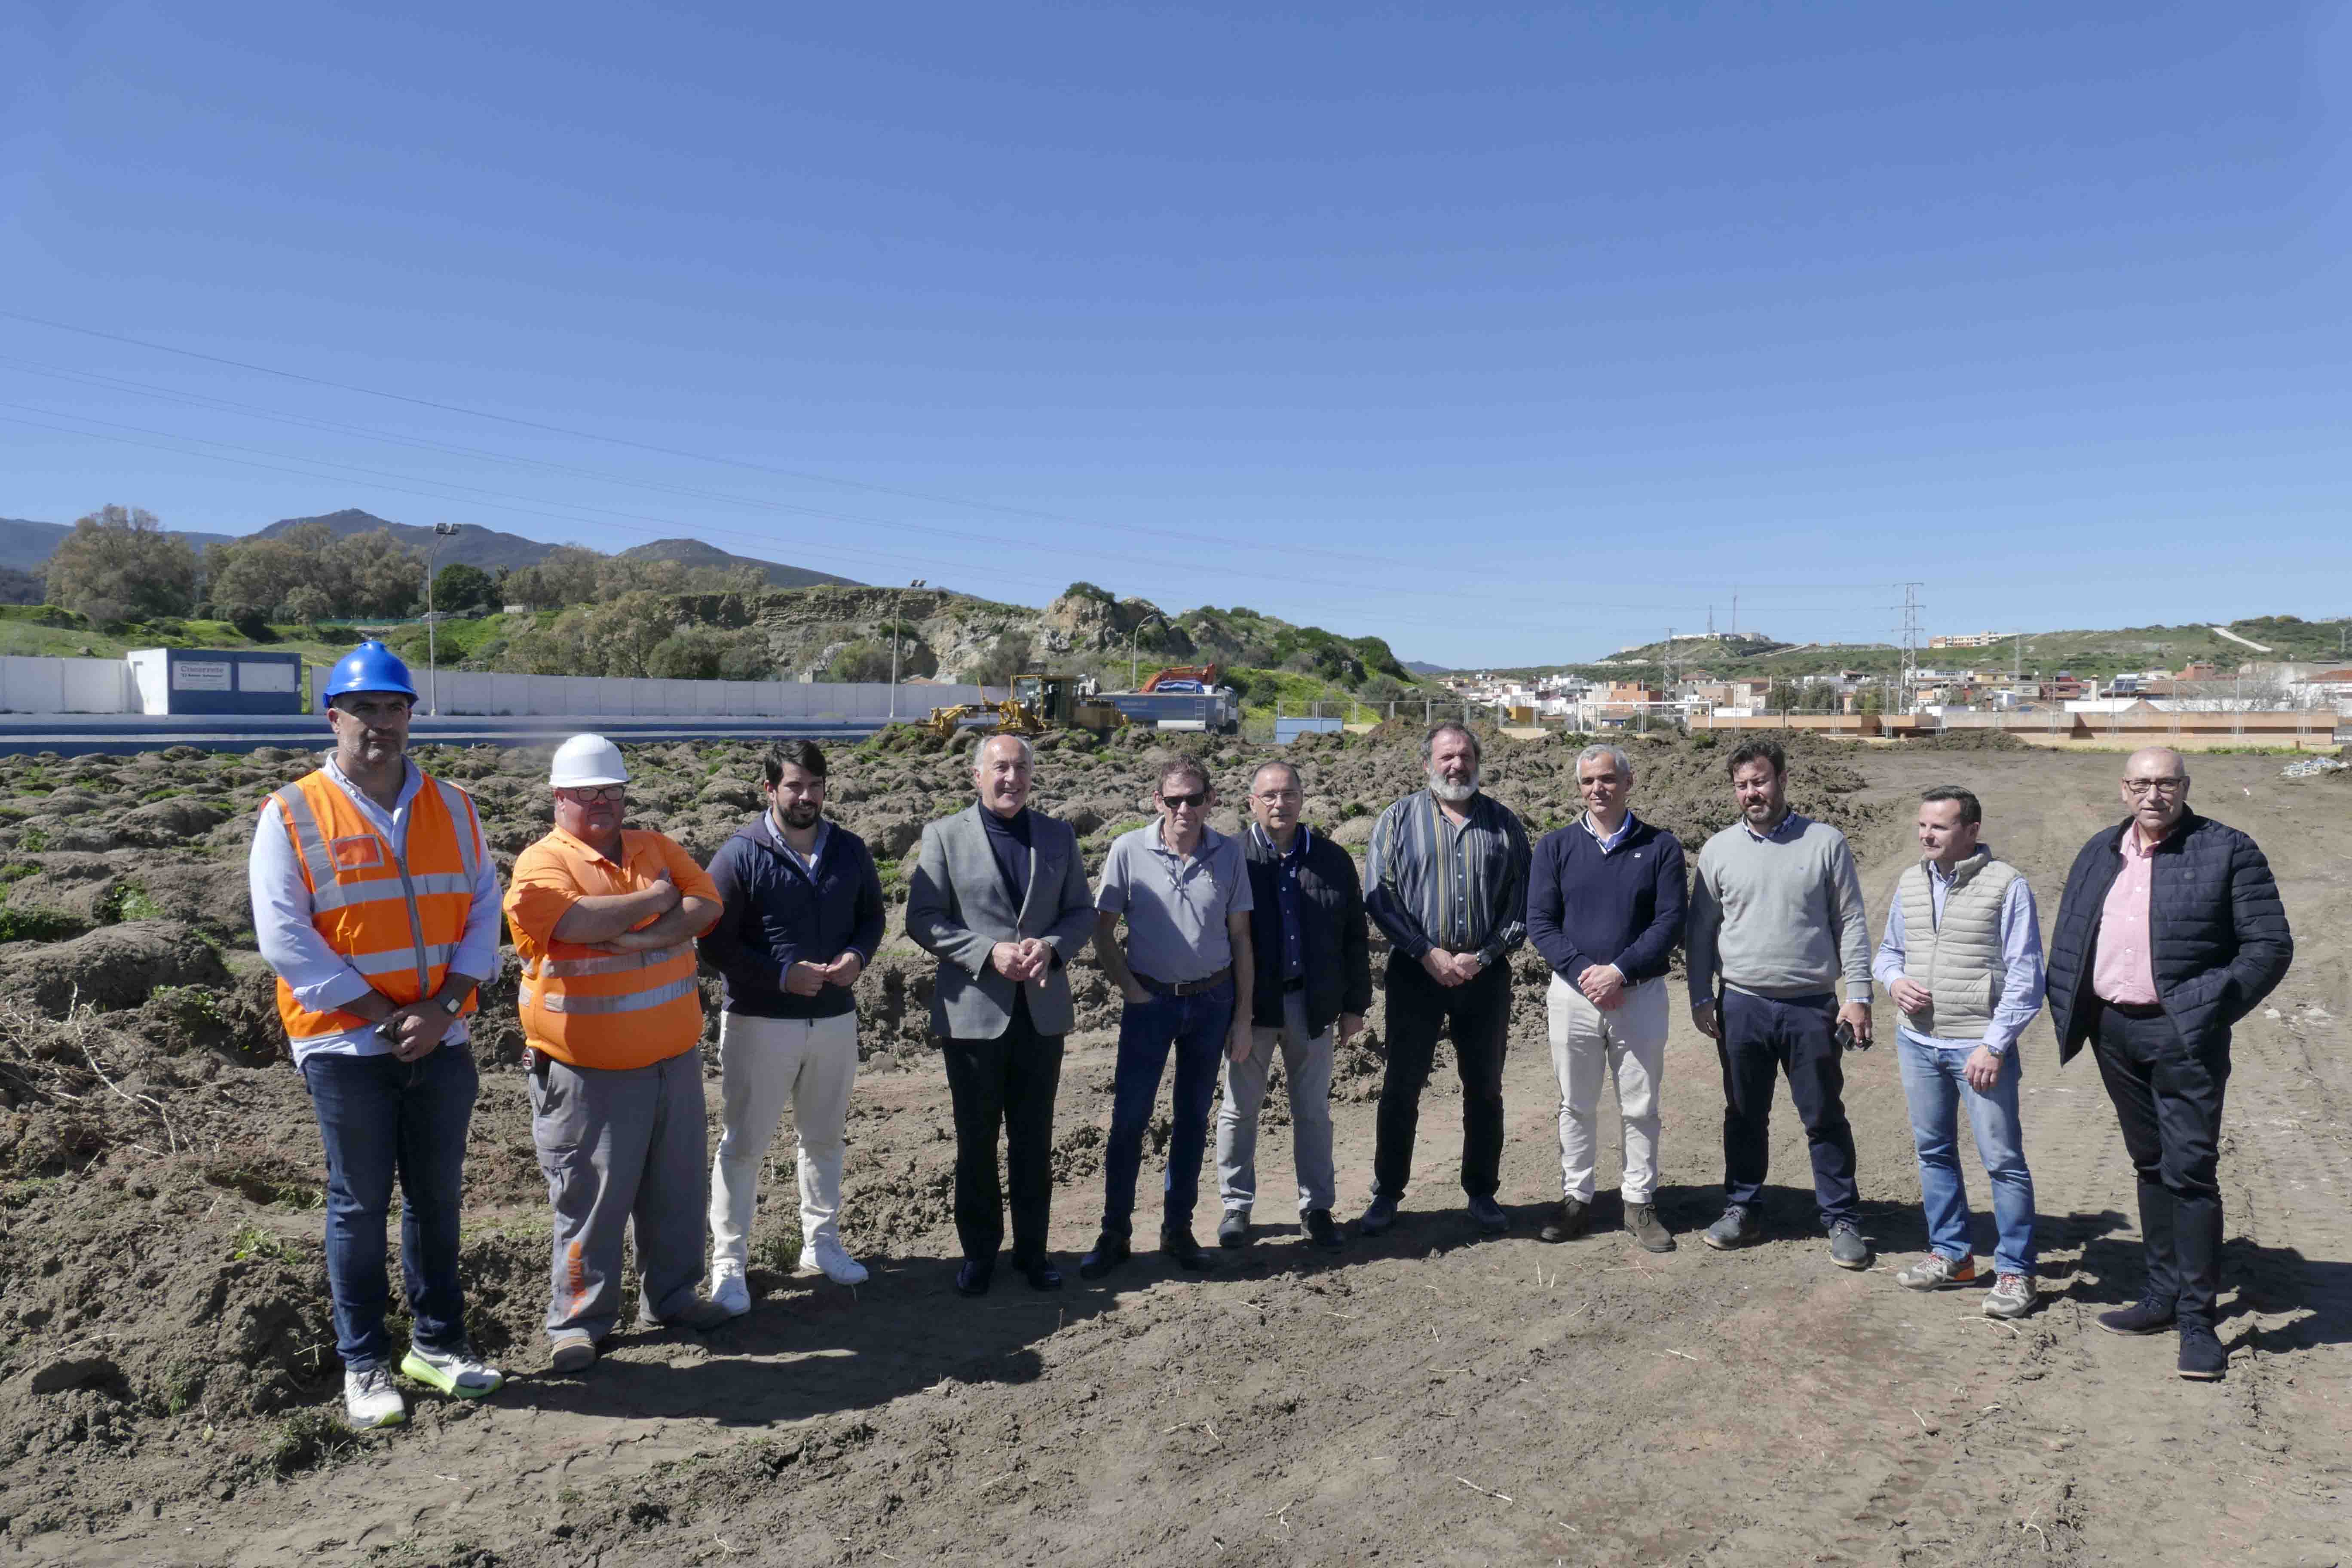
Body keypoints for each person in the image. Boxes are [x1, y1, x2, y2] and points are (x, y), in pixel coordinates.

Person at [248, 640, 505, 1430]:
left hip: (441, 1036)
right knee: (359, 1205)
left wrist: (445, 1008)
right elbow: (284, 936)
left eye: (395, 707)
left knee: (436, 1198)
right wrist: (382, 1016)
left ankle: (438, 1344)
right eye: (365, 708)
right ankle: (364, 1361)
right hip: (345, 1047)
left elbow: (482, 909)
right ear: (335, 718)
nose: (382, 723)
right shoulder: (291, 811)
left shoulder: (454, 805)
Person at [2043, 747, 2292, 1381]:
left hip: (2185, 1033)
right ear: (2125, 789)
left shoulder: (2227, 848)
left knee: (2190, 1172)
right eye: (2143, 784)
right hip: (2115, 1031)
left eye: (2168, 783)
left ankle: (2197, 1320)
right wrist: (2076, 1007)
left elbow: (2269, 945)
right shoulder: (2100, 849)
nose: (2155, 795)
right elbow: (2072, 933)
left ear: (2185, 787)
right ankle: (2158, 1297)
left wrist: (2207, 1006)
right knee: (2149, 1163)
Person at [504, 734, 727, 1372]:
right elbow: (573, 924)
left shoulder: (654, 846)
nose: (601, 802)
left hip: (672, 1062)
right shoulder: (541, 864)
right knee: (590, 1201)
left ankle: (675, 1296)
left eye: (612, 790)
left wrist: (634, 935)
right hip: (586, 1074)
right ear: (559, 797)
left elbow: (706, 903)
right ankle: (578, 1322)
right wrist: (658, 901)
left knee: (677, 1191)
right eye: (586, 791)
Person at [905, 732, 1097, 1297]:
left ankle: (1034, 1255)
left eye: (1019, 768)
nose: (1010, 778)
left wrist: (1053, 947)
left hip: (1041, 1013)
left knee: (1035, 1140)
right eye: (999, 768)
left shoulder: (1059, 836)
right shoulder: (944, 836)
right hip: (972, 1015)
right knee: (977, 1139)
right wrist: (987, 952)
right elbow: (924, 918)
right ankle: (979, 1256)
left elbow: (1081, 911)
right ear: (976, 776)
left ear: (1030, 775)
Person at [699, 740, 886, 1314]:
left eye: (815, 786)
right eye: (794, 786)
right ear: (770, 790)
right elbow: (713, 943)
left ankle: (821, 1244)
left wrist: (858, 956)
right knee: (744, 1146)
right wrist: (781, 976)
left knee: (825, 1137)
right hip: (760, 1023)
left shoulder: (849, 850)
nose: (806, 797)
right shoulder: (739, 856)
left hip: (833, 1021)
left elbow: (872, 916)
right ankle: (729, 1265)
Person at [1686, 738, 1876, 1269]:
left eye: (1761, 781)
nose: (1753, 793)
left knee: (1823, 1116)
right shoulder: (1719, 850)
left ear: (1783, 780)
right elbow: (1701, 930)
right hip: (1741, 1004)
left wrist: (1858, 995)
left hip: (1811, 1006)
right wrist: (1701, 993)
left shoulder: (1825, 842)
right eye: (1743, 785)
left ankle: (1842, 1218)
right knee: (1744, 1114)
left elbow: (1852, 923)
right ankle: (1742, 1208)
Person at [1873, 787, 2044, 1319]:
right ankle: (1952, 1255)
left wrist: (1995, 1045)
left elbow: (2026, 975)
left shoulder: (2006, 885)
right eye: (1923, 826)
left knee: (2003, 1161)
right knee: (1933, 1153)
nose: (1926, 835)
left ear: (1970, 830)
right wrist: (1895, 982)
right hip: (1918, 1041)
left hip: (1978, 1047)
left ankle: (2016, 1271)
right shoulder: (1910, 880)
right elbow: (1887, 953)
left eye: (1939, 827)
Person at [1360, 722, 1532, 1239]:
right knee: (1400, 1089)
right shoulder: (1397, 819)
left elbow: (1521, 900)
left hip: (1485, 977)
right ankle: (1387, 1193)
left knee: (1484, 1089)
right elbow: (1379, 894)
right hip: (1416, 974)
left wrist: (1483, 956)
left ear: (1477, 762)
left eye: (1464, 756)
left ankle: (1482, 1193)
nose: (1456, 765)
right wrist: (1427, 952)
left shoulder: (1504, 824)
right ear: (1428, 764)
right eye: (1446, 757)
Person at [1085, 757, 1256, 1277]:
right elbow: (1102, 929)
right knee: (1129, 1121)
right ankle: (1115, 1231)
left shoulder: (1229, 854)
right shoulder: (1128, 850)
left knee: (1192, 1120)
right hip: (1150, 1004)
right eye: (1174, 800)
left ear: (1211, 800)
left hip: (1211, 1003)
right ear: (1157, 801)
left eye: (1195, 799)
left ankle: (1177, 1229)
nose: (1185, 809)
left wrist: (1243, 1015)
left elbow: (1241, 937)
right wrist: (1131, 990)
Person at [1525, 743, 1687, 1253]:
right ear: (1580, 788)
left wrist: (1619, 971)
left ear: (1629, 782)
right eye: (1589, 782)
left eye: (1609, 779)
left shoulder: (1660, 847)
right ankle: (1577, 1198)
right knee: (1575, 1103)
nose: (1599, 789)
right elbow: (1540, 923)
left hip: (1638, 995)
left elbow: (1669, 922)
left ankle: (1638, 1202)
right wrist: (1584, 973)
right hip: (1572, 997)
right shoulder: (1555, 847)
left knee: (1640, 1105)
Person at [1216, 760, 1370, 1253]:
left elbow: (1353, 936)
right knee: (1240, 1111)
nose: (1279, 804)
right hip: (1251, 1009)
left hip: (1312, 1004)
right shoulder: (1231, 858)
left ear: (1303, 799)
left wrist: (1354, 1006)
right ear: (1251, 803)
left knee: (1313, 1112)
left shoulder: (1332, 859)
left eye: (1288, 795)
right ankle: (1236, 1207)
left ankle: (1317, 1207)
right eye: (1269, 796)